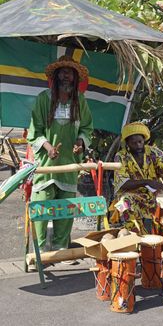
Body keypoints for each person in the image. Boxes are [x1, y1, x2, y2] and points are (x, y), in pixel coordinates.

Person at [27, 56, 93, 253]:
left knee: (66, 209)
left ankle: (60, 250)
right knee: (41, 207)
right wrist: (48, 147)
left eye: (70, 72)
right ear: (55, 77)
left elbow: (87, 128)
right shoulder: (43, 99)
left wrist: (80, 143)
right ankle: (39, 253)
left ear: (75, 78)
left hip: (69, 165)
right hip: (46, 165)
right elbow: (34, 132)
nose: (66, 76)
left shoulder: (79, 100)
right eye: (62, 72)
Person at [111, 122, 163, 235]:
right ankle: (137, 238)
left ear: (144, 140)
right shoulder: (121, 156)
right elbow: (123, 183)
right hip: (130, 195)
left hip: (153, 195)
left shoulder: (154, 152)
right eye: (133, 143)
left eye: (140, 141)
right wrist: (146, 182)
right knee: (124, 203)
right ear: (127, 143)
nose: (138, 145)